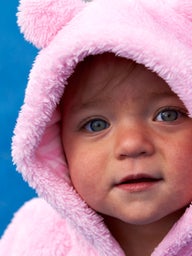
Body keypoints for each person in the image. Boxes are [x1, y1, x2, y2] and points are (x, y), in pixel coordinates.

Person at [1, 0, 192, 255]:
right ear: (57, 147)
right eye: (96, 125)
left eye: (167, 115)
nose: (132, 144)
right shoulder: (33, 237)